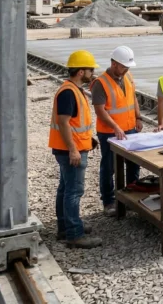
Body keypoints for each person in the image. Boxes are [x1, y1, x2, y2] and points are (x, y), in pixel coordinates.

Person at [49, 50, 102, 248]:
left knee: (65, 188)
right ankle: (74, 234)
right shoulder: (69, 92)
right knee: (73, 191)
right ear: (81, 72)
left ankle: (66, 227)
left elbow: (74, 123)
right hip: (71, 151)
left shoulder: (73, 89)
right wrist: (73, 149)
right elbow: (63, 123)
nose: (92, 73)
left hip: (73, 147)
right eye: (90, 70)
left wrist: (89, 139)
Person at [92, 45, 141, 216]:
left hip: (130, 129)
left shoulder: (128, 76)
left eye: (127, 67)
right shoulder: (100, 83)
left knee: (133, 163)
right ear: (114, 64)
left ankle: (131, 197)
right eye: (123, 67)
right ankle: (109, 201)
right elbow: (100, 110)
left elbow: (133, 97)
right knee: (109, 166)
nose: (126, 69)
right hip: (109, 132)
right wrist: (115, 127)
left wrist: (138, 117)